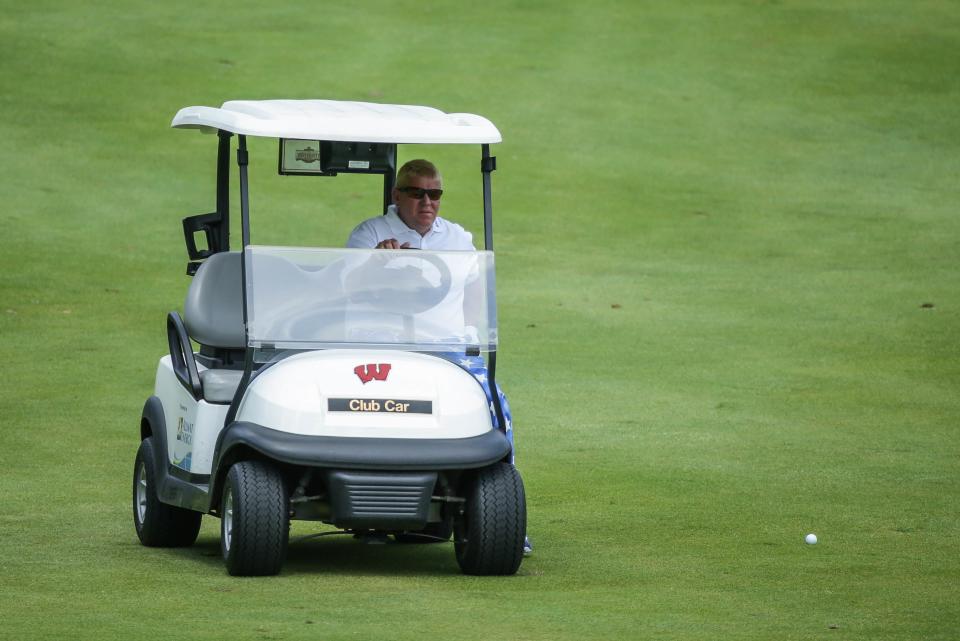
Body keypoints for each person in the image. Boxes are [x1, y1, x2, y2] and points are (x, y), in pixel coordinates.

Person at [347, 159, 532, 556]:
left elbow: (474, 295)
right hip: (381, 343)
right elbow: (348, 285)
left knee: (495, 406)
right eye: (417, 193)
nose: (427, 202)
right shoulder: (371, 234)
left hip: (444, 346)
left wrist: (474, 338)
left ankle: (503, 516)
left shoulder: (458, 239)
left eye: (435, 194)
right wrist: (376, 264)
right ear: (398, 195)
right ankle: (368, 509)